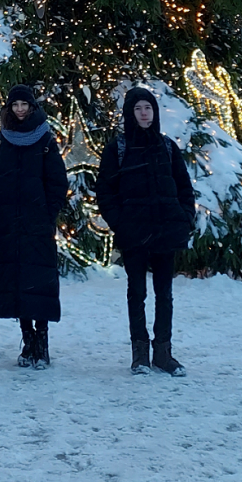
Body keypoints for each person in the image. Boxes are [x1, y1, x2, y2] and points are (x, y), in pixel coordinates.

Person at [95, 86, 196, 377]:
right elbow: (105, 191)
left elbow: (184, 187)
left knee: (164, 294)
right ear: (130, 113)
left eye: (148, 108)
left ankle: (163, 353)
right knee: (136, 292)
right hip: (134, 232)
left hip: (166, 230)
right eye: (138, 108)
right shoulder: (118, 148)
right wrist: (120, 222)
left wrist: (185, 217)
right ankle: (139, 354)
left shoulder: (167, 146)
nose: (143, 113)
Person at [0, 85, 70, 369]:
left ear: (32, 107)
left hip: (36, 224)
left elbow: (57, 181)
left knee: (39, 281)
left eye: (24, 104)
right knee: (17, 282)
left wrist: (47, 213)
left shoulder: (45, 139)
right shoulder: (0, 141)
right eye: (15, 104)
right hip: (7, 225)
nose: (19, 109)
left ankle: (42, 340)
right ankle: (27, 338)